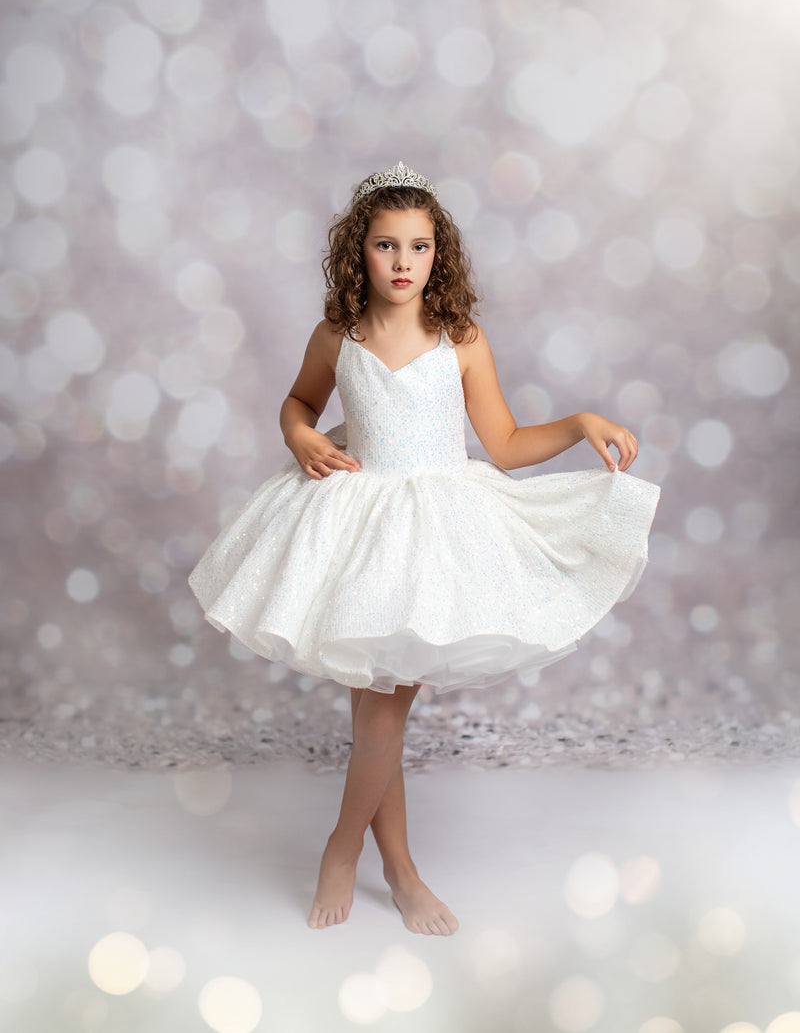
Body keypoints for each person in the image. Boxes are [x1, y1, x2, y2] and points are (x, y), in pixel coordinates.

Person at [188, 160, 660, 936]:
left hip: (436, 528)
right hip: (357, 525)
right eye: (385, 246)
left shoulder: (461, 338)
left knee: (384, 710)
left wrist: (579, 423)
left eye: (419, 247)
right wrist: (302, 433)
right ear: (358, 253)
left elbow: (502, 445)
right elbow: (299, 401)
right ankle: (384, 867)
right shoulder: (338, 334)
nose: (403, 263)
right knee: (381, 711)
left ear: (440, 256)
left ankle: (361, 855)